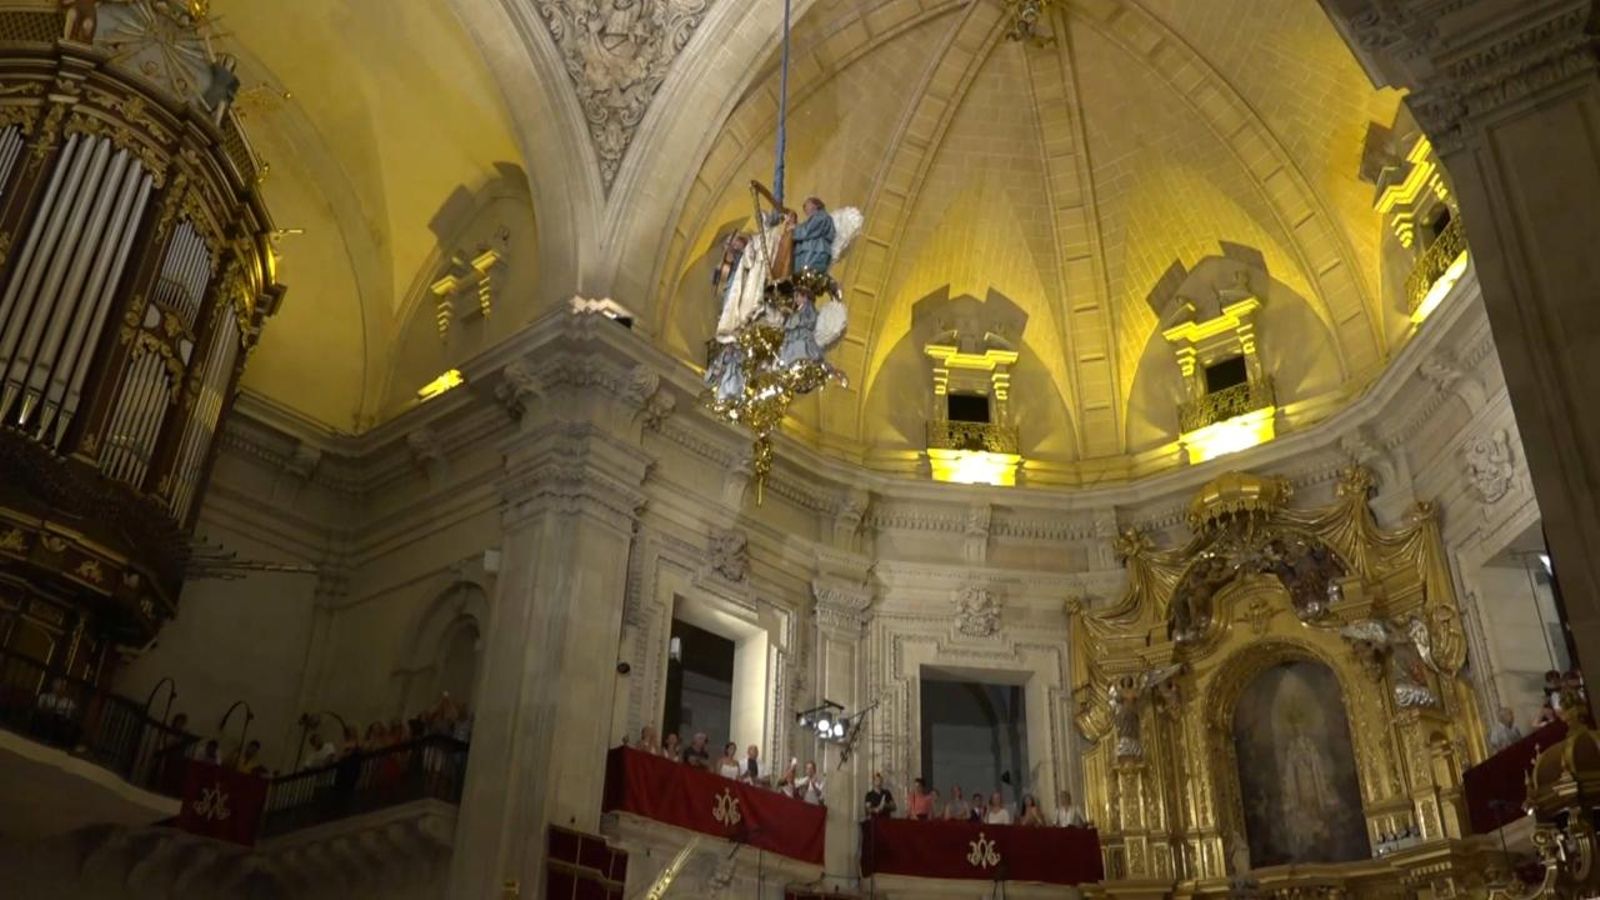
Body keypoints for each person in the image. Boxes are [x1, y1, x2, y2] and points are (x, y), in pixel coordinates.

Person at [790, 197, 837, 276]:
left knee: (807, 277)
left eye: (807, 205)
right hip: (808, 253)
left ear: (816, 205)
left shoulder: (822, 216)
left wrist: (794, 229)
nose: (805, 208)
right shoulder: (812, 220)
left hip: (815, 252)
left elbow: (807, 231)